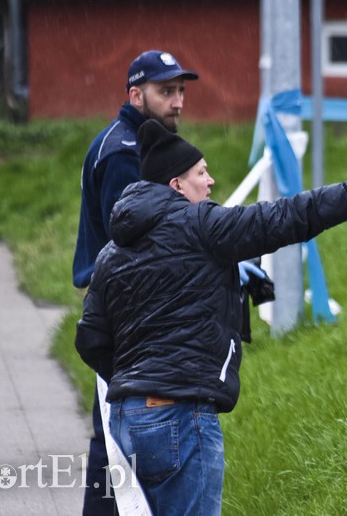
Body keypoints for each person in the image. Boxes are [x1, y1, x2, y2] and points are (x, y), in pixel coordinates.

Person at [75, 119, 347, 515]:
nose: (211, 182)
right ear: (176, 185)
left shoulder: (113, 252)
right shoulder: (203, 225)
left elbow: (91, 338)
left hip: (128, 423)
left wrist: (137, 381)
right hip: (181, 417)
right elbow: (289, 215)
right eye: (201, 173)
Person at [72, 49, 198, 515]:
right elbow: (133, 242)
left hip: (127, 309)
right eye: (166, 91)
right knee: (118, 447)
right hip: (126, 314)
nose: (178, 101)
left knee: (119, 442)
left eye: (181, 90)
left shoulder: (135, 142)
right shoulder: (125, 153)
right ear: (135, 94)